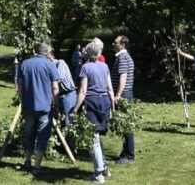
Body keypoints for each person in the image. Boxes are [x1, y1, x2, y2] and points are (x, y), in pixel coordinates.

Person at [73, 41, 115, 183]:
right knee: (97, 136)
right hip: (105, 102)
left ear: (87, 53)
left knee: (93, 138)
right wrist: (113, 105)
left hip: (92, 102)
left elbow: (83, 91)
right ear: (98, 53)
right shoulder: (105, 66)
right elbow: (109, 88)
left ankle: (98, 174)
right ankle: (104, 168)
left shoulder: (85, 68)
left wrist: (75, 109)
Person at [19, 43, 60, 175]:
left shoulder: (25, 64)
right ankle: (37, 166)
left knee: (29, 133)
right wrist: (57, 105)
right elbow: (55, 88)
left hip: (29, 105)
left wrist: (22, 102)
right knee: (43, 135)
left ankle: (27, 161)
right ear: (46, 52)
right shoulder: (50, 65)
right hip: (45, 106)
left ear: (34, 50)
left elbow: (20, 86)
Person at [112, 35, 135, 164]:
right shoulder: (124, 57)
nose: (113, 45)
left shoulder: (122, 58)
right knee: (124, 125)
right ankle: (125, 152)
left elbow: (123, 78)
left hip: (124, 94)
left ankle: (129, 155)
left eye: (115, 43)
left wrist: (118, 95)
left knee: (126, 126)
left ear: (122, 45)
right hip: (126, 94)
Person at [48, 50, 77, 153]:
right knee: (59, 120)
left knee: (67, 120)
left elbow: (58, 80)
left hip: (67, 94)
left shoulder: (60, 63)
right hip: (58, 95)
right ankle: (61, 145)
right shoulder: (50, 67)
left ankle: (70, 148)